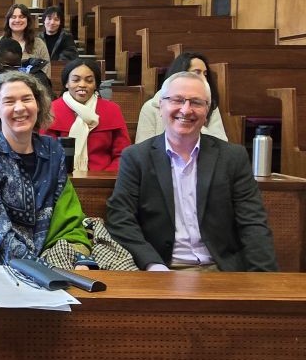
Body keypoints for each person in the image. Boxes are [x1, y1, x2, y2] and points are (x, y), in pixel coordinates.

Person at [106, 71, 278, 272]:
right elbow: (120, 219)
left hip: (221, 269)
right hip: (162, 269)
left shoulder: (233, 158)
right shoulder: (136, 158)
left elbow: (253, 222)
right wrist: (153, 265)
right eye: (177, 100)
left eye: (196, 102)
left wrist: (264, 277)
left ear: (207, 112)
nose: (186, 110)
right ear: (161, 106)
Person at [0, 71, 94, 267]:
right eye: (9, 101)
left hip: (35, 250)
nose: (20, 108)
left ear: (38, 105)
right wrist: (43, 269)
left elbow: (57, 216)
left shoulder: (53, 150)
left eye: (26, 99)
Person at [44, 59, 130, 172]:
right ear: (66, 83)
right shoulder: (52, 109)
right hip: (61, 178)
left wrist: (105, 176)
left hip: (106, 178)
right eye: (75, 80)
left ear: (96, 84)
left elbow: (123, 153)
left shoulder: (111, 110)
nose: (82, 85)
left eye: (89, 81)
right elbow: (45, 153)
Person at [135, 52, 227, 143]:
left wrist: (195, 124)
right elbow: (142, 150)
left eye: (205, 74)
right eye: (197, 73)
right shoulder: (150, 107)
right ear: (180, 73)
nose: (203, 78)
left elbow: (221, 143)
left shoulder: (209, 104)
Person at [0, 4, 51, 76]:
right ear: (8, 20)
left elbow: (46, 73)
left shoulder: (39, 44)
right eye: (13, 17)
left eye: (22, 17)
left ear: (28, 20)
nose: (17, 20)